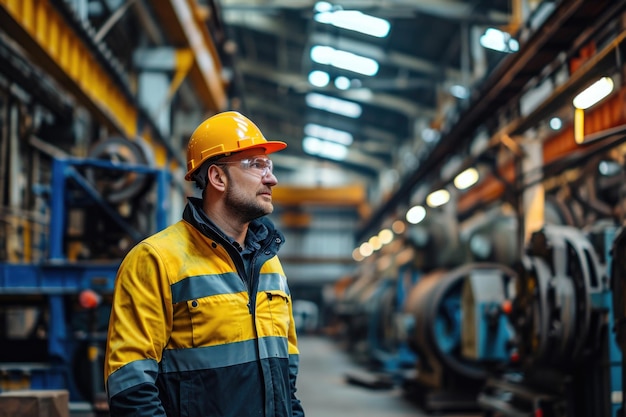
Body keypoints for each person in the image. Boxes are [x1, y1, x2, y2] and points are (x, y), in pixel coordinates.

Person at [104, 111, 305, 417]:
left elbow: (286, 380)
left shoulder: (270, 265)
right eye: (256, 165)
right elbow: (130, 386)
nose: (272, 178)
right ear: (218, 177)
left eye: (270, 165)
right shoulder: (156, 259)